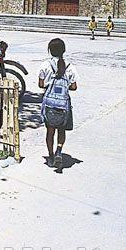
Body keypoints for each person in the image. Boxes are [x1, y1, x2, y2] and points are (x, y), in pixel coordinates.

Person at [38, 38, 78, 170]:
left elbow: (41, 84)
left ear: (50, 50)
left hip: (50, 103)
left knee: (50, 131)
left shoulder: (45, 65)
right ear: (64, 50)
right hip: (63, 103)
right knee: (61, 129)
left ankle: (50, 156)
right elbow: (74, 87)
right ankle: (59, 150)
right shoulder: (69, 66)